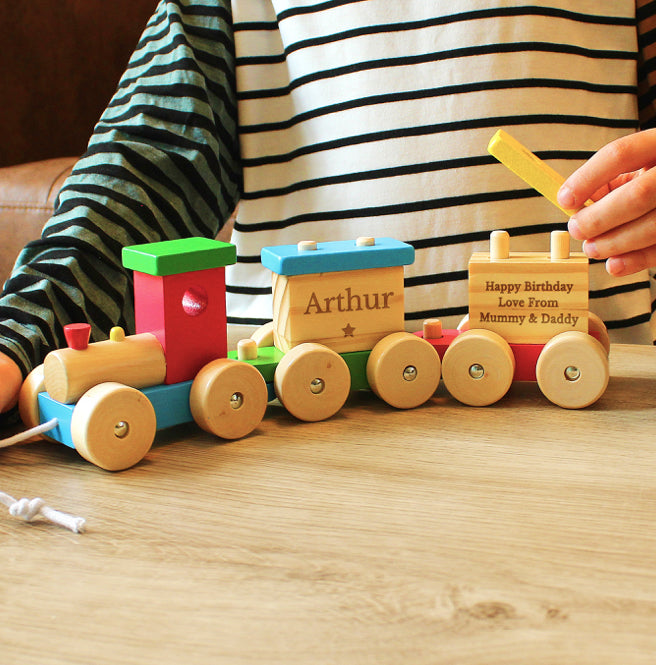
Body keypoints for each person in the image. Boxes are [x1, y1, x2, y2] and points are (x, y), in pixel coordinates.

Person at [1, 0, 656, 419]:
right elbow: (121, 195)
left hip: (595, 416)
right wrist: (16, 338)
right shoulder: (221, 11)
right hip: (286, 431)